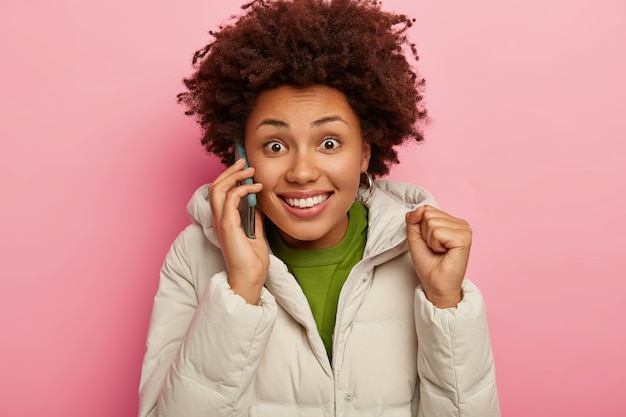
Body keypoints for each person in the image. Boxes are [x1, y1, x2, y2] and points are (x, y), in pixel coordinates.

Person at [138, 0, 500, 415]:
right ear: (241, 154)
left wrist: (444, 300)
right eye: (275, 146)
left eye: (329, 143)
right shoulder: (194, 256)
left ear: (364, 153)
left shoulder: (420, 254)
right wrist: (241, 289)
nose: (302, 172)